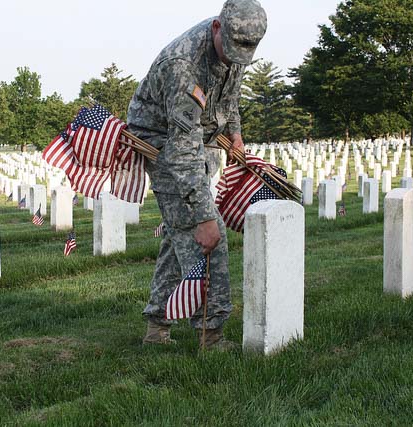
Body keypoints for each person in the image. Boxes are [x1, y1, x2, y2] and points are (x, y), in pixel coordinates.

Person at [127, 0, 268, 350]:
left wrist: (235, 132)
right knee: (207, 234)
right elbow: (182, 149)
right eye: (232, 50)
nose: (237, 59)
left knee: (179, 237)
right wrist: (202, 215)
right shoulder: (183, 65)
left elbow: (229, 98)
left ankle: (156, 328)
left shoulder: (236, 45)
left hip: (197, 137)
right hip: (160, 143)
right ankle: (211, 335)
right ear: (218, 28)